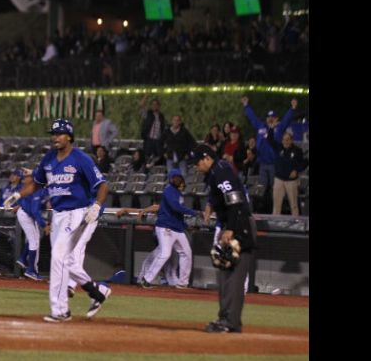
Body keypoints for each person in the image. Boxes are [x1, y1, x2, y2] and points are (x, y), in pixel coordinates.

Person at [3, 119, 111, 322]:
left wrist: (96, 206)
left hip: (77, 212)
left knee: (59, 257)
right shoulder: (49, 158)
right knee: (66, 260)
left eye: (59, 133)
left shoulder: (81, 158)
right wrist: (18, 196)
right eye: (53, 134)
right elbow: (37, 183)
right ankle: (97, 291)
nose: (55, 137)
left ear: (69, 136)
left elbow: (103, 185)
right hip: (59, 213)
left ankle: (60, 310)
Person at [187, 144, 257, 333]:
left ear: (207, 158)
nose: (195, 166)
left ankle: (231, 322)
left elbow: (235, 201)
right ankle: (225, 319)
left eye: (197, 162)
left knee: (233, 276)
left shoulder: (221, 171)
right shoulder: (215, 173)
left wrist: (231, 229)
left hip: (239, 224)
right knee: (225, 273)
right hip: (233, 223)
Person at [117, 169, 201, 288]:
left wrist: (186, 227)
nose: (178, 181)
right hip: (166, 228)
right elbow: (171, 207)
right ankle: (146, 279)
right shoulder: (169, 191)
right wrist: (194, 213)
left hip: (177, 229)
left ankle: (182, 283)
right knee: (164, 254)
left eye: (179, 178)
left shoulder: (179, 194)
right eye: (175, 178)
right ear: (171, 179)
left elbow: (177, 214)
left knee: (186, 253)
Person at [242, 97, 298, 212]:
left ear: (276, 118)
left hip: (274, 164)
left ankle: (276, 211)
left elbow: (287, 119)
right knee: (261, 189)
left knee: (275, 190)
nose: (270, 119)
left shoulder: (279, 128)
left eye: (273, 117)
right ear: (266, 118)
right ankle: (262, 210)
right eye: (268, 117)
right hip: (262, 163)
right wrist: (246, 106)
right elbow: (252, 118)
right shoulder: (261, 126)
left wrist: (292, 109)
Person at [11, 171, 49, 281]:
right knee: (34, 241)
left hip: (26, 213)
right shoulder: (39, 189)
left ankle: (23, 259)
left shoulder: (39, 188)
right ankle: (31, 270)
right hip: (26, 215)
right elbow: (35, 211)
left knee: (35, 239)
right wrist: (44, 224)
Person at [268, 131, 307, 215]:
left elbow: (303, 163)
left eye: (288, 140)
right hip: (279, 179)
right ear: (282, 140)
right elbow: (269, 140)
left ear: (291, 140)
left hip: (291, 181)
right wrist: (271, 128)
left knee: (294, 205)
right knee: (276, 205)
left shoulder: (297, 150)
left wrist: (296, 170)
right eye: (284, 140)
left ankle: (296, 224)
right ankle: (275, 224)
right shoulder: (278, 148)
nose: (286, 142)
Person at [139, 95, 166, 163]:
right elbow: (141, 105)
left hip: (158, 140)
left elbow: (162, 128)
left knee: (158, 158)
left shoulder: (161, 116)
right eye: (153, 104)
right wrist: (145, 96)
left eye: (156, 104)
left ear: (158, 106)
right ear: (151, 106)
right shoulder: (147, 114)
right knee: (147, 158)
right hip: (149, 140)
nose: (154, 106)